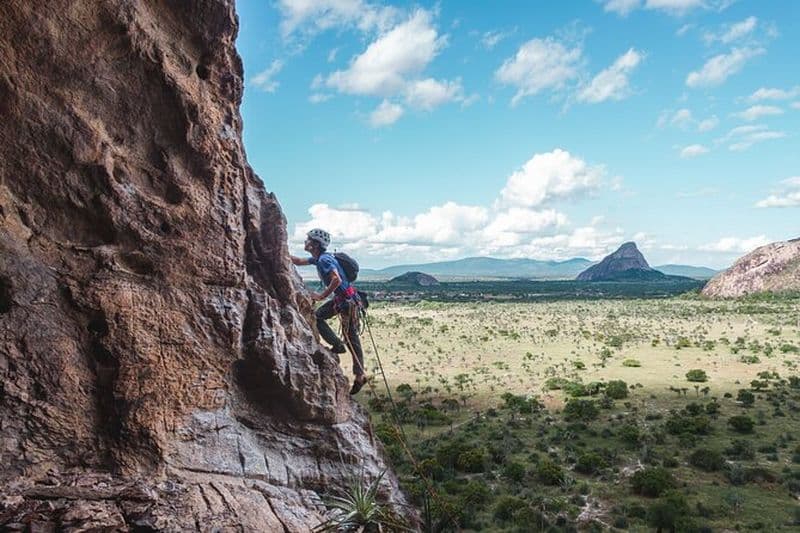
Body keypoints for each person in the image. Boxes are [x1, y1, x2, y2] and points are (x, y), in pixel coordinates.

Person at [290, 228, 368, 394]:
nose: (305, 242)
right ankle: (343, 351)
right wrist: (280, 252)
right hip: (344, 299)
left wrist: (321, 296)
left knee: (350, 336)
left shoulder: (324, 260)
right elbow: (297, 261)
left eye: (308, 240)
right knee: (324, 321)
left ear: (315, 244)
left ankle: (359, 373)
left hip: (346, 302)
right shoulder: (319, 258)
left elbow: (336, 279)